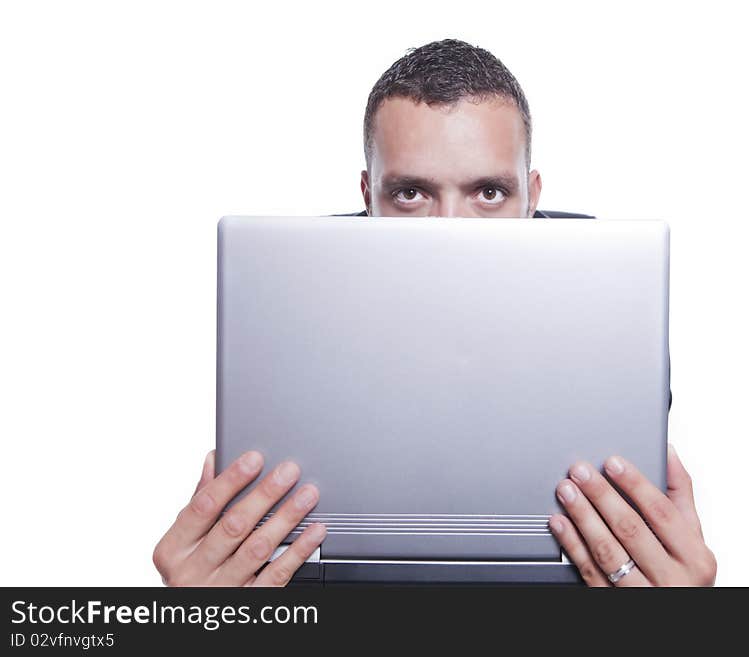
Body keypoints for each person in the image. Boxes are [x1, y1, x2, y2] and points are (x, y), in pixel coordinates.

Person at [153, 39, 716, 587]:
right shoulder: (291, 312)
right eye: (411, 194)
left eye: (490, 193)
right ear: (367, 197)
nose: (451, 226)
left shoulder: (606, 313)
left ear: (532, 196)